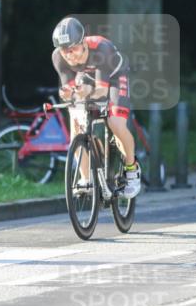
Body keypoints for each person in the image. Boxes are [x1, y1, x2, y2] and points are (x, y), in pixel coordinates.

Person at [51, 16, 140, 199]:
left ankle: (132, 170)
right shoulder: (58, 57)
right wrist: (68, 94)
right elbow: (67, 88)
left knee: (115, 123)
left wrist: (83, 92)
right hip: (88, 79)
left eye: (73, 48)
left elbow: (101, 92)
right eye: (64, 50)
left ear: (83, 41)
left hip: (114, 77)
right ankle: (86, 179)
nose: (69, 54)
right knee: (76, 129)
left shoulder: (101, 49)